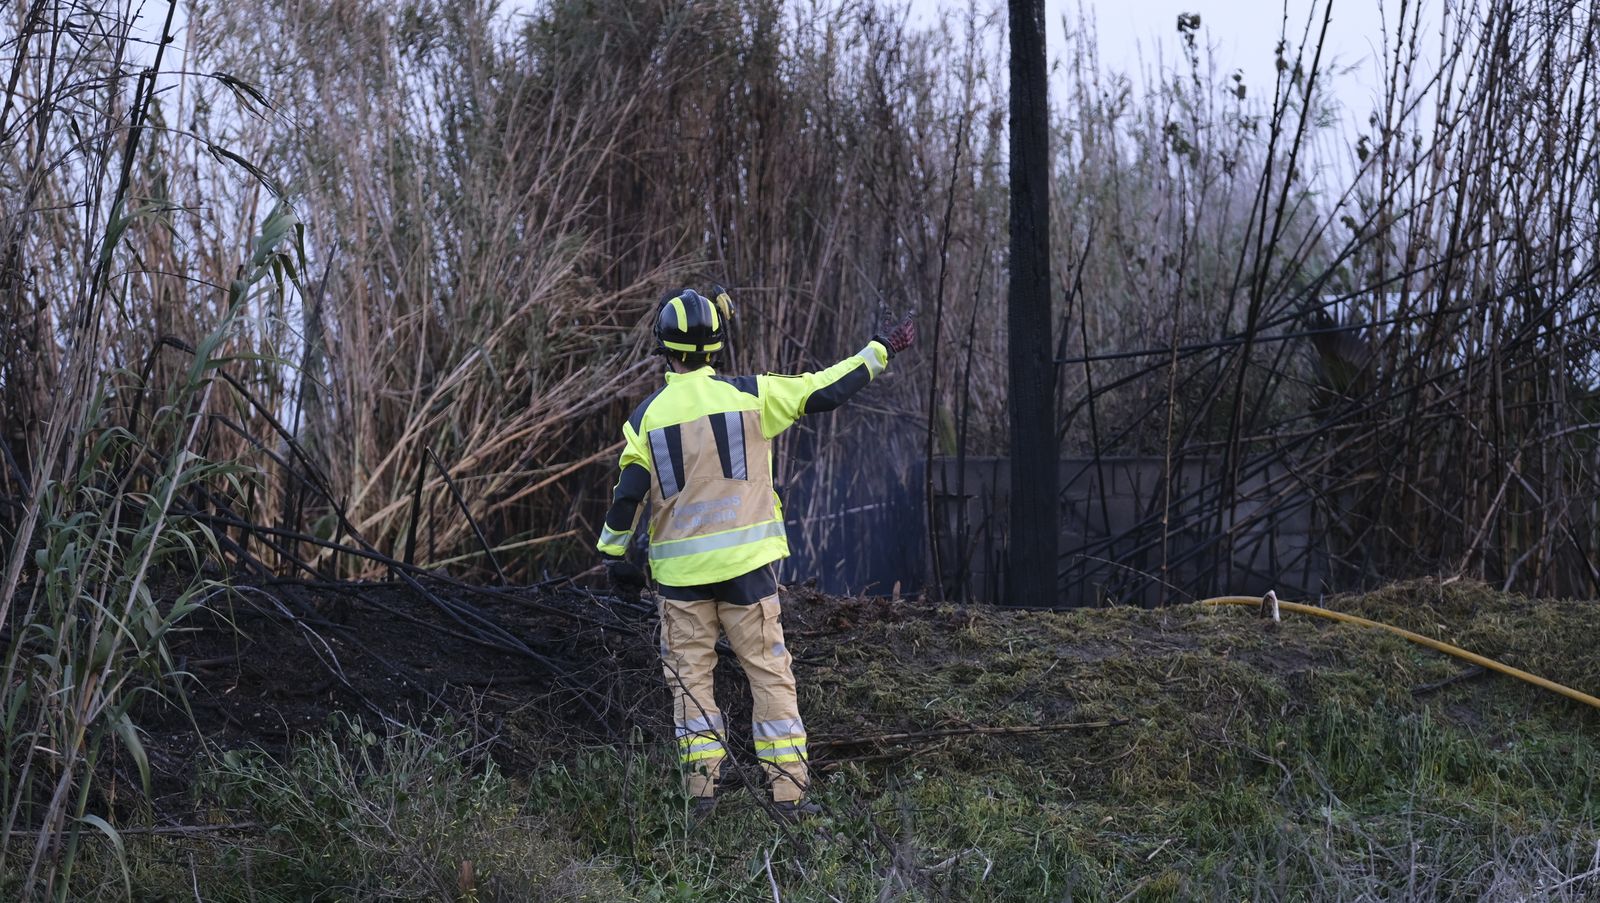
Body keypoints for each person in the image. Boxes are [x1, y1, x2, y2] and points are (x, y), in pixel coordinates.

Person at [596, 287, 915, 821]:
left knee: (691, 686)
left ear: (663, 349)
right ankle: (788, 797)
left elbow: (628, 494)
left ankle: (701, 799)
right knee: (769, 676)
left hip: (680, 584)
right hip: (748, 575)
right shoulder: (752, 397)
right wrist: (880, 349)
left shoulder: (646, 419)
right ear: (716, 347)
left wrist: (614, 558)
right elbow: (826, 390)